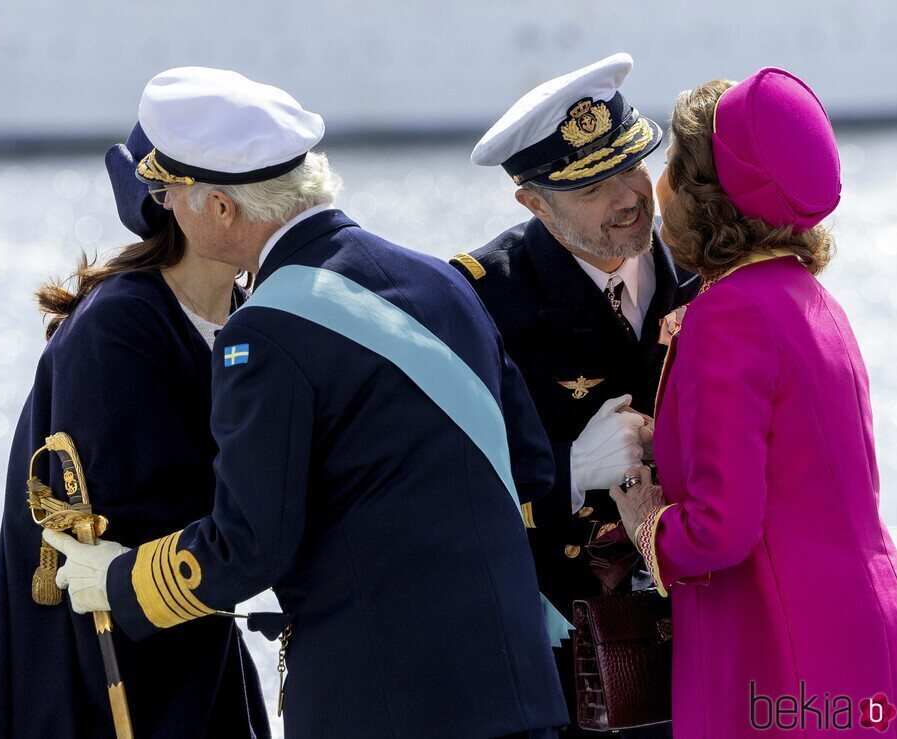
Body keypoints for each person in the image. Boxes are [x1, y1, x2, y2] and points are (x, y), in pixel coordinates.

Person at [45, 66, 569, 738]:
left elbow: (249, 546)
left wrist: (120, 581)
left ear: (222, 209)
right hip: (519, 691)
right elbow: (530, 468)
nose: (164, 209)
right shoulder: (442, 281)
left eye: (170, 194)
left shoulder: (263, 333)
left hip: (383, 707)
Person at [611, 67, 897, 736]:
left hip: (786, 665)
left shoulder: (729, 315)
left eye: (671, 164)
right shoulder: (810, 299)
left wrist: (647, 523)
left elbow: (720, 529)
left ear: (704, 197)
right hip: (866, 643)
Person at [0, 121, 271, 737]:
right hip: (84, 658)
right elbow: (122, 515)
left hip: (178, 632)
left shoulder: (244, 316)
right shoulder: (120, 326)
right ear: (195, 205)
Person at [450, 53, 699, 737]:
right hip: (564, 656)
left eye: (631, 164)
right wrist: (565, 470)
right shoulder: (477, 301)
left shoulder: (702, 265)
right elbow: (444, 490)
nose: (628, 196)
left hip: (707, 625)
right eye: (593, 186)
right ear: (532, 201)